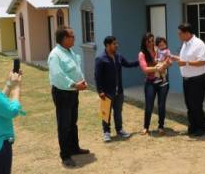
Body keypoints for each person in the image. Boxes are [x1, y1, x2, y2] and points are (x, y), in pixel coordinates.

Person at [47, 27, 90, 167]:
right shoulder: (55, 55)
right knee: (64, 125)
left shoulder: (70, 52)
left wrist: (82, 81)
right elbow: (58, 76)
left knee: (72, 122)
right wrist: (75, 85)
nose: (74, 38)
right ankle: (65, 155)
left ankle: (74, 148)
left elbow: (76, 69)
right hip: (62, 93)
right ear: (64, 38)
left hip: (72, 91)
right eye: (72, 36)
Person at [94, 36, 139, 142]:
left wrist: (140, 61)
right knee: (106, 113)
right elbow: (97, 76)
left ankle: (119, 129)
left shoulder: (118, 56)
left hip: (119, 91)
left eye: (116, 43)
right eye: (114, 44)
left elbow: (128, 64)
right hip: (106, 92)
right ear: (108, 45)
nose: (116, 45)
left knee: (118, 112)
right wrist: (100, 91)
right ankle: (106, 132)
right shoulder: (101, 59)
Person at [172, 23, 205, 137]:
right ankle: (192, 127)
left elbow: (203, 61)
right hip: (187, 79)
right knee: (189, 104)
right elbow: (185, 59)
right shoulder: (185, 43)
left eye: (180, 33)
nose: (178, 35)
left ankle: (202, 128)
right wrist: (176, 58)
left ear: (187, 33)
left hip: (198, 79)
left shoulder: (198, 44)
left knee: (196, 104)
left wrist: (185, 63)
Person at [138, 33, 170, 135]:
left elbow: (167, 60)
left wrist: (166, 64)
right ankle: (146, 127)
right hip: (150, 82)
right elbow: (145, 69)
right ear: (144, 42)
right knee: (149, 105)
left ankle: (161, 126)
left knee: (161, 105)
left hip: (162, 80)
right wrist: (157, 68)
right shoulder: (142, 54)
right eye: (149, 41)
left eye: (152, 40)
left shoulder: (158, 49)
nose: (151, 43)